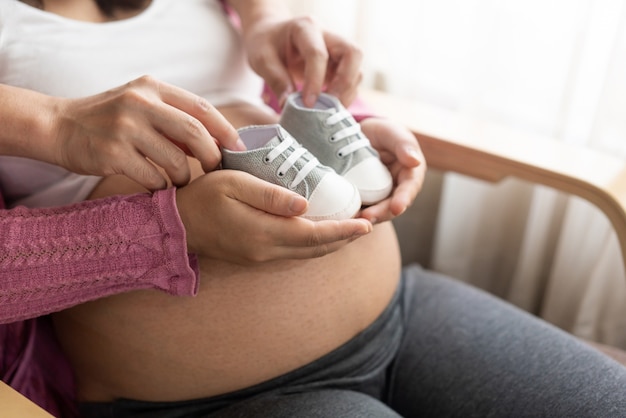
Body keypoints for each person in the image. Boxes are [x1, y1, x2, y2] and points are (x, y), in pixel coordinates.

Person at [1, 1, 626, 418]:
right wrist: (174, 228)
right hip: (220, 400)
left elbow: (263, 90)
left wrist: (346, 117)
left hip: (401, 314)